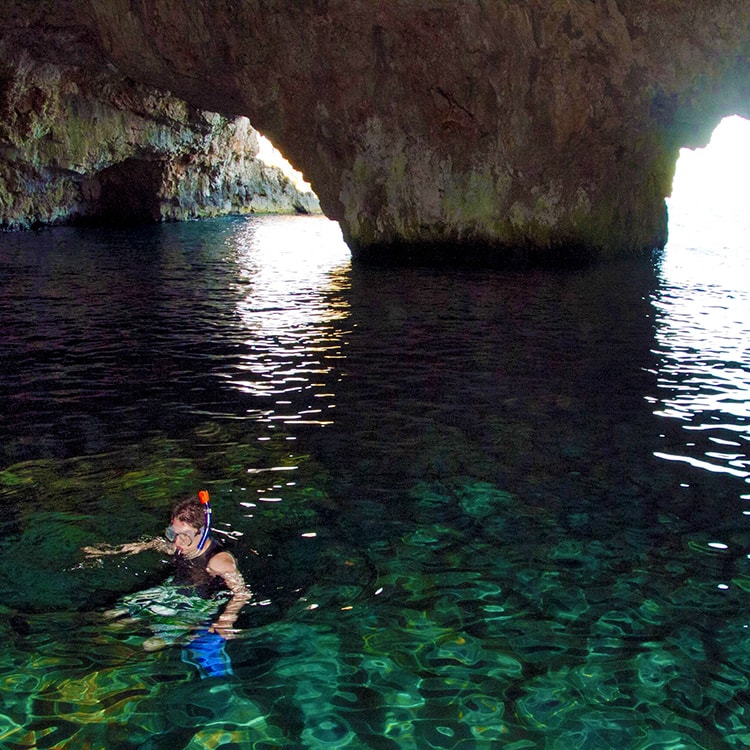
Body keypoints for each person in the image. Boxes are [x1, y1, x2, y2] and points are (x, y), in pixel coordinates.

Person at [83, 490, 251, 659]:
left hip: (197, 603)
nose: (177, 542)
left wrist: (226, 619)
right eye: (173, 534)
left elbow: (242, 593)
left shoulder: (219, 561)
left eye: (184, 537)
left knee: (150, 645)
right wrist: (109, 552)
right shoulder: (179, 546)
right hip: (171, 589)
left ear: (202, 533)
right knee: (110, 617)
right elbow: (155, 544)